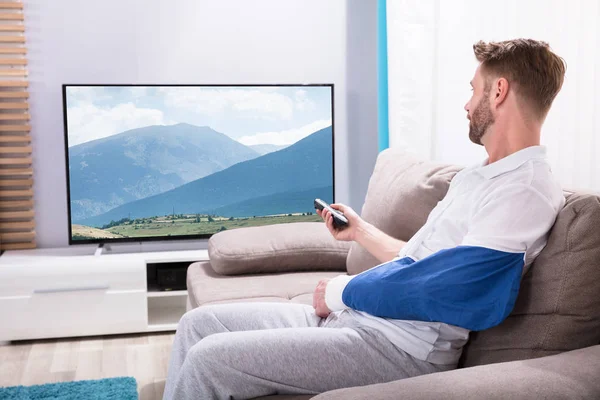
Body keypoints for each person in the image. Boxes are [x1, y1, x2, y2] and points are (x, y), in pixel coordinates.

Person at [163, 39, 567, 400]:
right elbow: (421, 263)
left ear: (498, 92)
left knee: (208, 360)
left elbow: (463, 290)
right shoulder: (480, 175)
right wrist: (360, 231)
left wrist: (345, 290)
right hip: (359, 321)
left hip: (400, 348)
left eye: (474, 90)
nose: (466, 104)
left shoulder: (523, 188)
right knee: (198, 325)